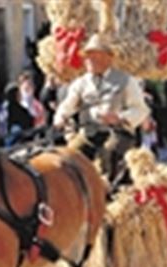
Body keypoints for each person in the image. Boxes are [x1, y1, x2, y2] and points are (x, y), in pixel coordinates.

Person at [53, 33, 150, 182]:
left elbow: (140, 109)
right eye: (88, 57)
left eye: (94, 56)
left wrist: (119, 117)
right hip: (88, 133)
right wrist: (60, 117)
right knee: (70, 156)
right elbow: (68, 104)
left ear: (108, 58)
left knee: (108, 153)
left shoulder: (126, 81)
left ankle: (106, 187)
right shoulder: (81, 83)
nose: (89, 60)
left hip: (117, 133)